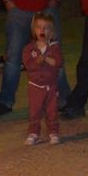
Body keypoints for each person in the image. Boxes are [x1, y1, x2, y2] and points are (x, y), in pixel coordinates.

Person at [23, 12, 64, 146]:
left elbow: (58, 62)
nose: (42, 30)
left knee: (52, 111)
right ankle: (33, 133)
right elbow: (28, 66)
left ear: (51, 31)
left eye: (46, 28)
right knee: (34, 112)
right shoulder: (29, 49)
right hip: (35, 87)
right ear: (34, 30)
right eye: (39, 27)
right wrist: (37, 62)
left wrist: (46, 59)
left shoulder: (55, 48)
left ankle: (53, 132)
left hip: (51, 87)